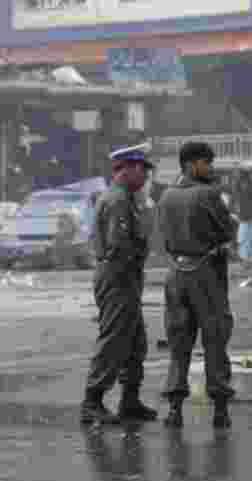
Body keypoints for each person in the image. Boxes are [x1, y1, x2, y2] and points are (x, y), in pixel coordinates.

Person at [156, 142, 237, 429]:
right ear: (192, 164)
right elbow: (227, 230)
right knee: (215, 338)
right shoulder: (208, 193)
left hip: (175, 273)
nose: (211, 167)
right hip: (205, 273)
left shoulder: (166, 196)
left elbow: (163, 239)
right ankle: (220, 410)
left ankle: (175, 409)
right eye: (207, 162)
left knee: (179, 343)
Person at [79, 143, 158, 426]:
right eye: (142, 170)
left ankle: (130, 400)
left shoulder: (126, 198)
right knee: (114, 339)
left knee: (136, 342)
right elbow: (119, 245)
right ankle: (92, 401)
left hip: (125, 277)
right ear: (128, 169)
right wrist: (128, 278)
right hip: (118, 276)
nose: (146, 177)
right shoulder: (117, 201)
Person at [234, 173, 252, 264]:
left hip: (248, 217)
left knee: (247, 238)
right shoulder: (251, 188)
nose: (243, 185)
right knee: (246, 238)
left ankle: (249, 257)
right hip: (247, 217)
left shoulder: (249, 189)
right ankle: (247, 257)